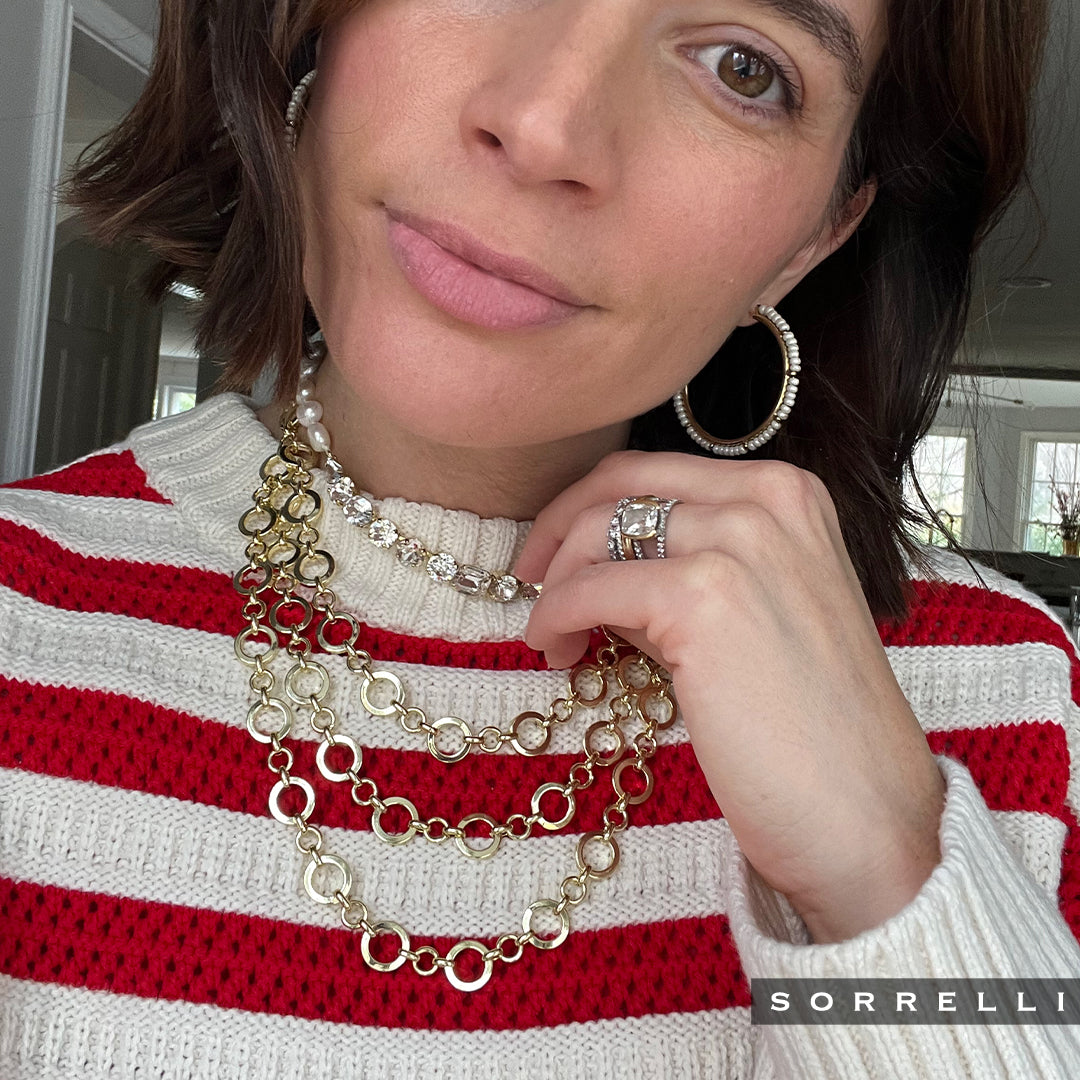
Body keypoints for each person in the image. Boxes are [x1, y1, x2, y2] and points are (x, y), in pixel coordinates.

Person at [1, 0, 1078, 1075]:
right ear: (307, 26)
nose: (542, 126)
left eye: (743, 67)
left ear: (815, 235)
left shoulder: (1009, 698)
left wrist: (892, 874)